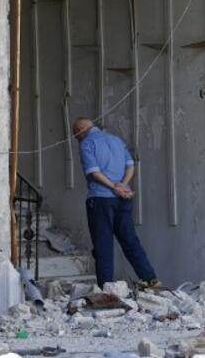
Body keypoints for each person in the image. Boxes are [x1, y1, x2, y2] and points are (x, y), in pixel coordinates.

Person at [72, 117, 158, 288]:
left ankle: (106, 288)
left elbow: (94, 172)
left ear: (80, 131)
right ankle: (150, 280)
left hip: (101, 199)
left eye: (76, 135)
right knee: (130, 241)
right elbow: (131, 165)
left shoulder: (87, 143)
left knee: (103, 245)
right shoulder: (116, 140)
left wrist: (113, 187)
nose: (77, 139)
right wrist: (123, 185)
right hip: (123, 199)